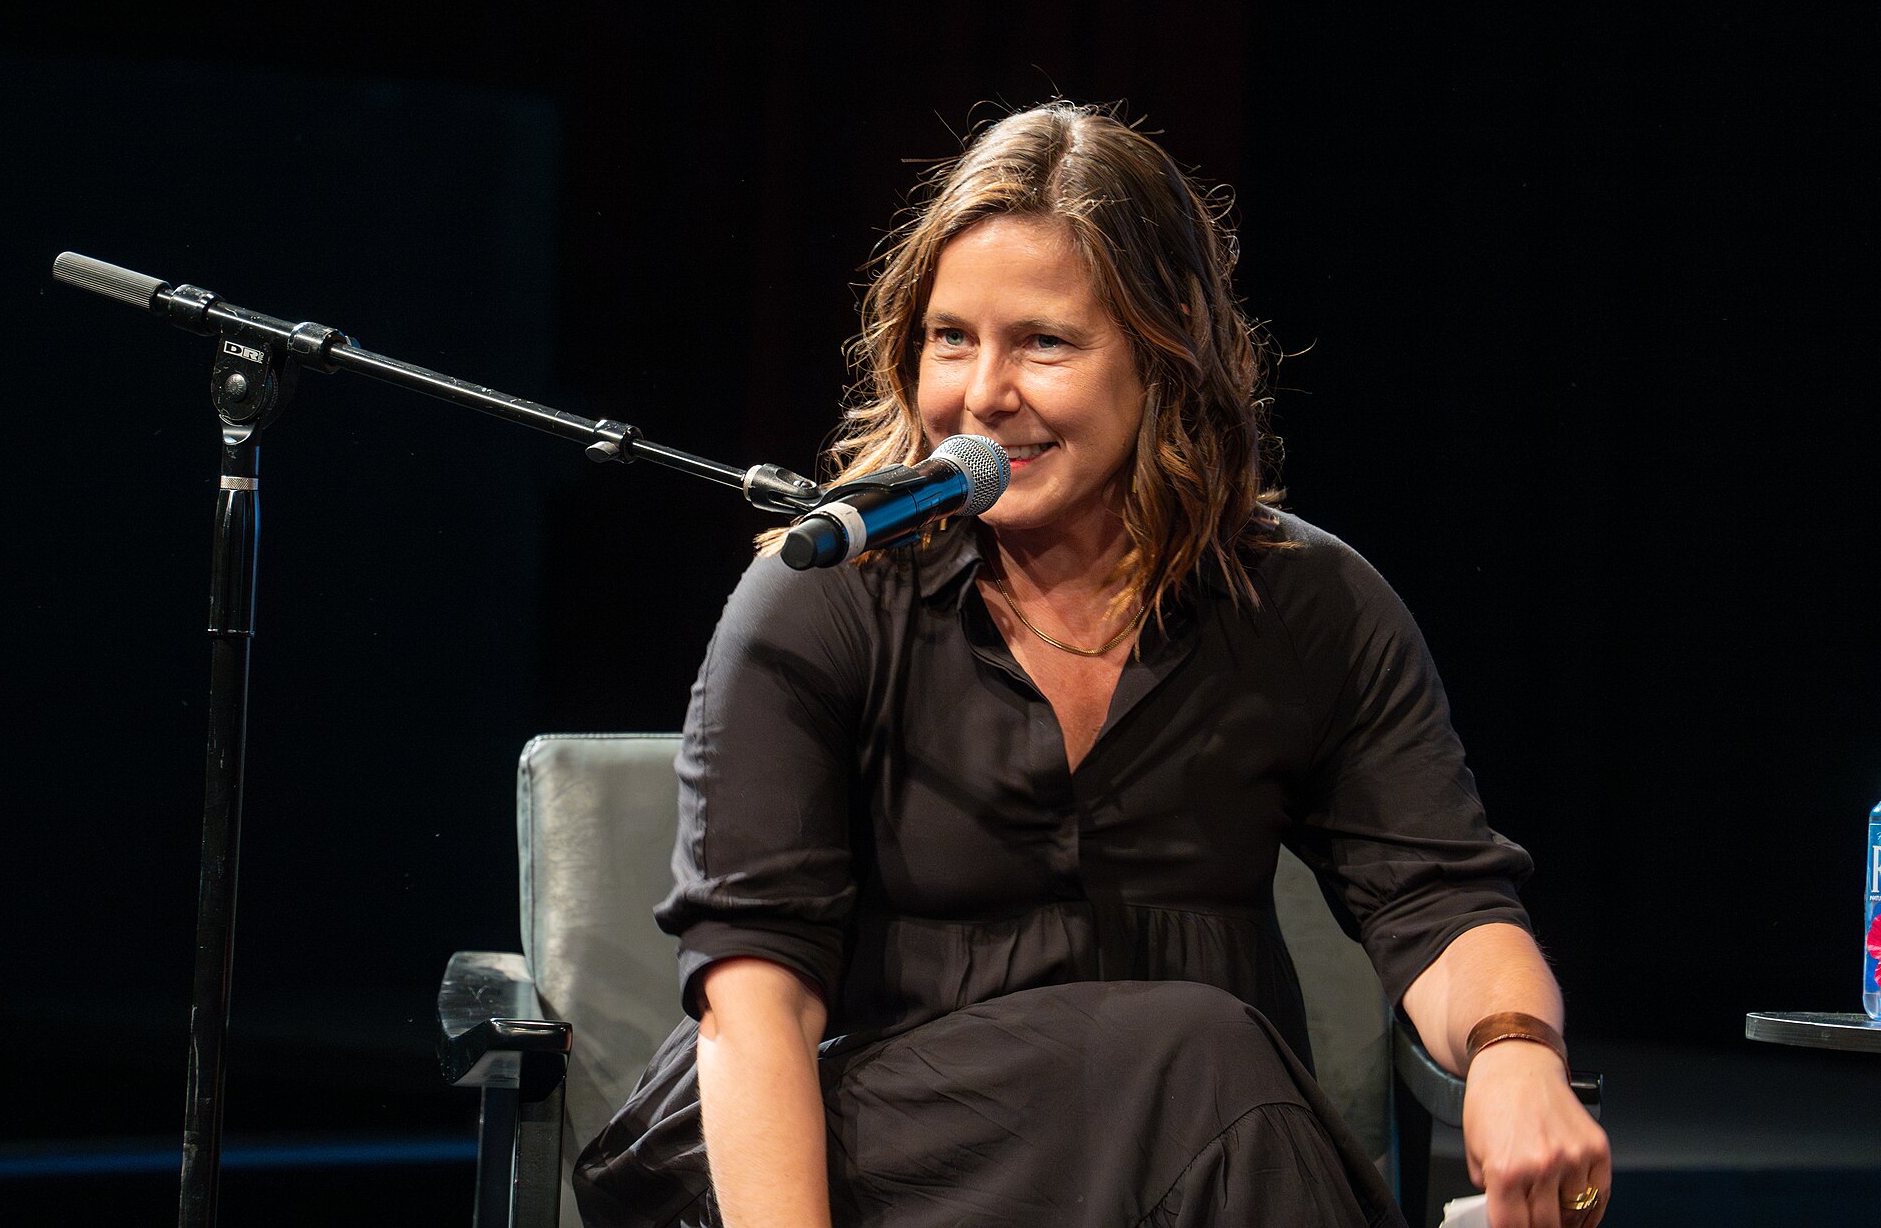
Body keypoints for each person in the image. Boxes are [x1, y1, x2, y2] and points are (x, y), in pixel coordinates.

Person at [574, 102, 1611, 1228]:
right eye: (952, 337)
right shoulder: (823, 594)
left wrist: (1515, 1055)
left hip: (1174, 1171)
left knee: (1200, 1070)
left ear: (1166, 351)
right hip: (832, 1159)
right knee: (1199, 1052)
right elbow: (755, 1003)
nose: (982, 394)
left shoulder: (1305, 605)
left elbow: (1443, 898)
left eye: (1045, 343)